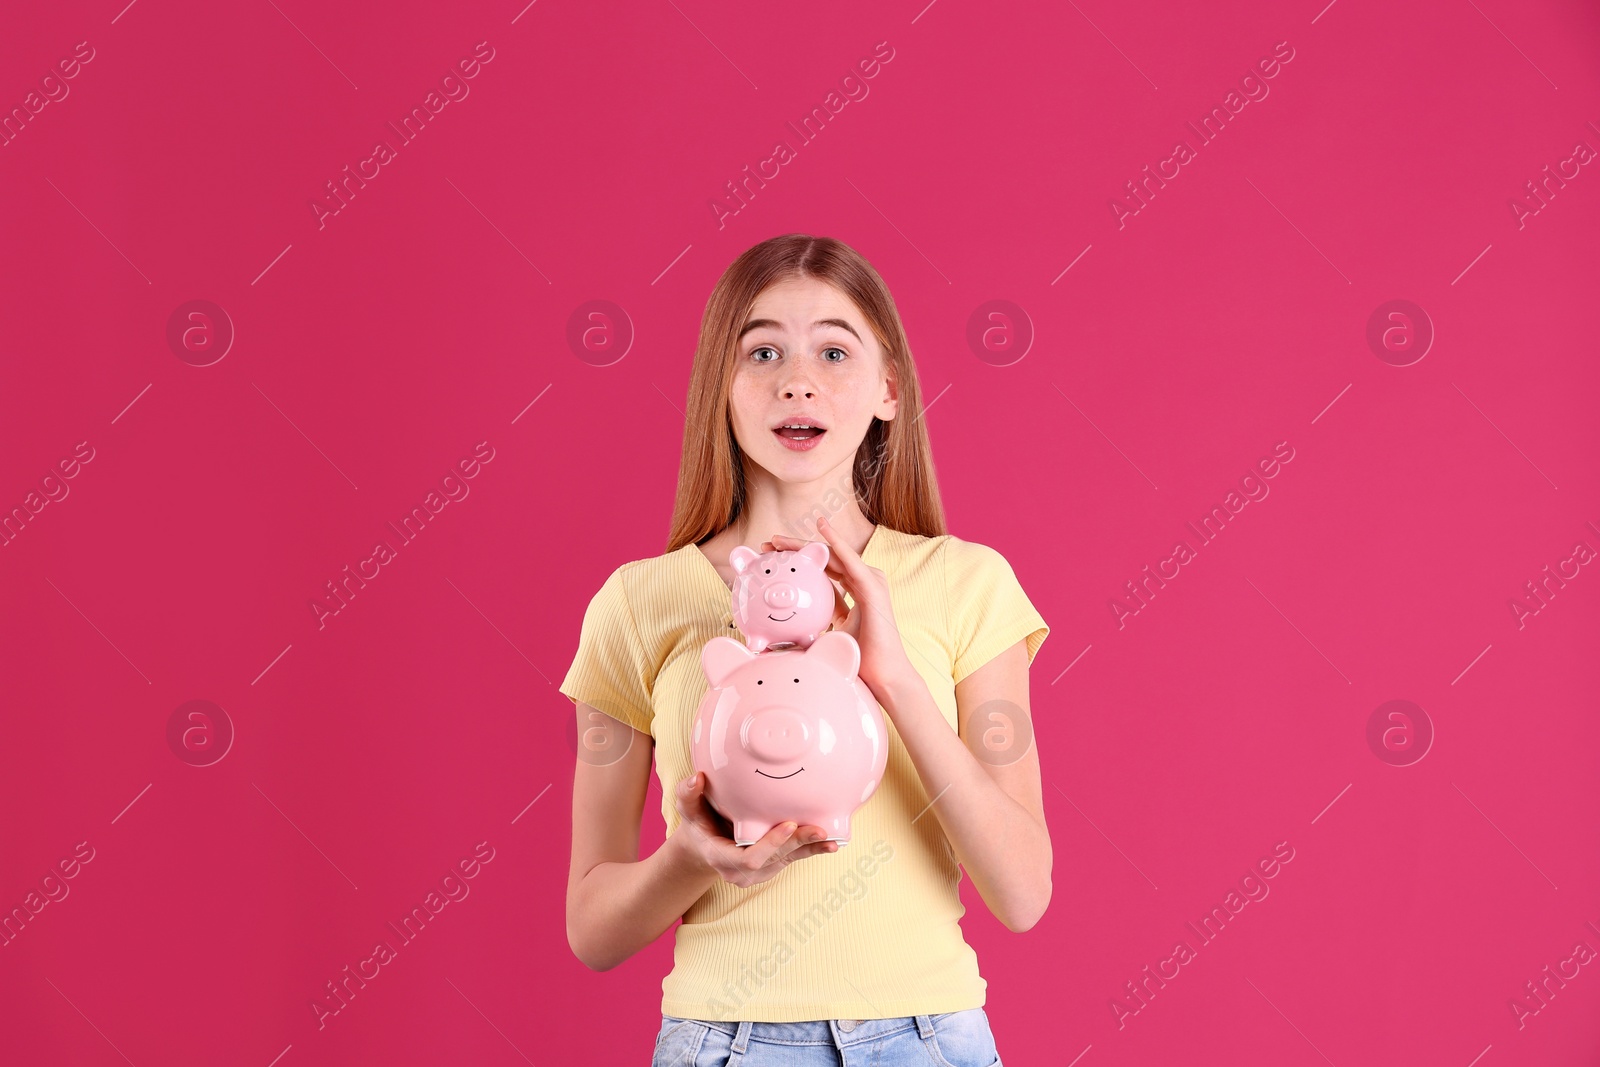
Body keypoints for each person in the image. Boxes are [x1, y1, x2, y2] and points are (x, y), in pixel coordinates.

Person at [561, 234, 1050, 1066]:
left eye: (833, 348)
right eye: (762, 351)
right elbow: (593, 927)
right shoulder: (636, 604)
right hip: (723, 1040)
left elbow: (1022, 890)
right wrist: (690, 856)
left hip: (930, 1037)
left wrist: (891, 675)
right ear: (722, 385)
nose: (798, 378)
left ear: (888, 389)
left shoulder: (968, 583)